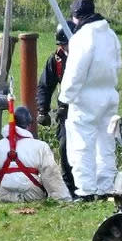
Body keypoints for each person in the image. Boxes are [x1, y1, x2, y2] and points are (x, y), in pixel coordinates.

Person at [58, 0, 122, 200]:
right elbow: (117, 64)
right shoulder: (111, 35)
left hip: (87, 98)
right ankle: (105, 188)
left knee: (82, 144)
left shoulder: (82, 37)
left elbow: (75, 72)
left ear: (76, 17)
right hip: (109, 94)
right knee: (106, 144)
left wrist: (65, 97)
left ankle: (86, 191)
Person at [0, 106, 71, 202]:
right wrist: (63, 199)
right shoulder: (41, 147)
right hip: (33, 195)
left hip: (5, 195)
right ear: (28, 125)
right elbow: (52, 176)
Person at [36, 21, 76, 197]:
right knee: (64, 146)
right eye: (61, 44)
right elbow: (45, 85)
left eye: (66, 43)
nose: (64, 48)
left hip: (87, 108)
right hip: (66, 109)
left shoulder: (86, 56)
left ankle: (90, 188)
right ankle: (69, 187)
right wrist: (42, 110)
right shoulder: (56, 60)